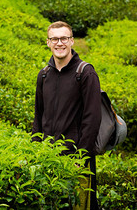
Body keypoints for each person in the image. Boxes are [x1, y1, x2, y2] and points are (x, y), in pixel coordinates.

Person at [32, 21, 101, 210]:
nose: (59, 43)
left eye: (64, 38)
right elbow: (38, 117)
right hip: (48, 160)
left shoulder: (86, 73)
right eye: (54, 39)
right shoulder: (44, 75)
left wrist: (81, 158)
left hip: (76, 160)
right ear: (48, 43)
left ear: (72, 41)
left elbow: (92, 119)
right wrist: (35, 153)